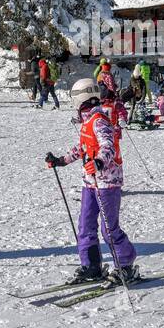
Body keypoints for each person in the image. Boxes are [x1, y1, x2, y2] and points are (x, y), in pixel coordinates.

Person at [46, 79, 137, 285]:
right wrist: (61, 161)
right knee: (85, 225)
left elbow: (108, 145)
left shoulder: (99, 120)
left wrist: (98, 162)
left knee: (108, 228)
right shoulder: (87, 121)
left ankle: (125, 266)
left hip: (107, 182)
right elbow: (81, 148)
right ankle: (92, 265)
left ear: (81, 98)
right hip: (90, 182)